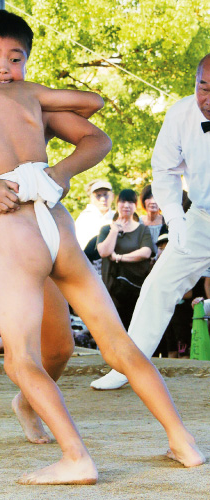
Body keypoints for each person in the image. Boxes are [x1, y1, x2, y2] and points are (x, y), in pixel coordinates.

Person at [0, 22, 205, 481]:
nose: (2, 68)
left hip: (19, 226)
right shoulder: (23, 97)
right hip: (17, 222)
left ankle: (75, 456)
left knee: (32, 356)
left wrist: (56, 171)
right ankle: (185, 443)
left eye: (14, 59)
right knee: (110, 341)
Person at [91, 53, 210, 391]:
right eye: (203, 88)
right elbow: (165, 171)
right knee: (158, 285)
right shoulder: (181, 114)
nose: (208, 99)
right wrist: (175, 217)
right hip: (202, 216)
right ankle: (128, 366)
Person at [97, 189, 154, 329]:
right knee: (114, 329)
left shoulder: (142, 230)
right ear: (117, 204)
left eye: (131, 202)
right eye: (123, 201)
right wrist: (115, 230)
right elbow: (104, 252)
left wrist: (120, 257)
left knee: (135, 329)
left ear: (135, 206)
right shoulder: (106, 229)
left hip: (136, 289)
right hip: (113, 291)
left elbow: (146, 252)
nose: (126, 205)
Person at [75, 179, 115, 252]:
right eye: (98, 196)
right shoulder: (84, 219)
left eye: (105, 195)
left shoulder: (117, 217)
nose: (103, 199)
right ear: (91, 198)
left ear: (112, 196)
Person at [139, 184, 165, 254]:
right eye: (149, 198)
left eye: (156, 198)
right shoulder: (137, 222)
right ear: (143, 201)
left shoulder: (167, 223)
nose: (153, 201)